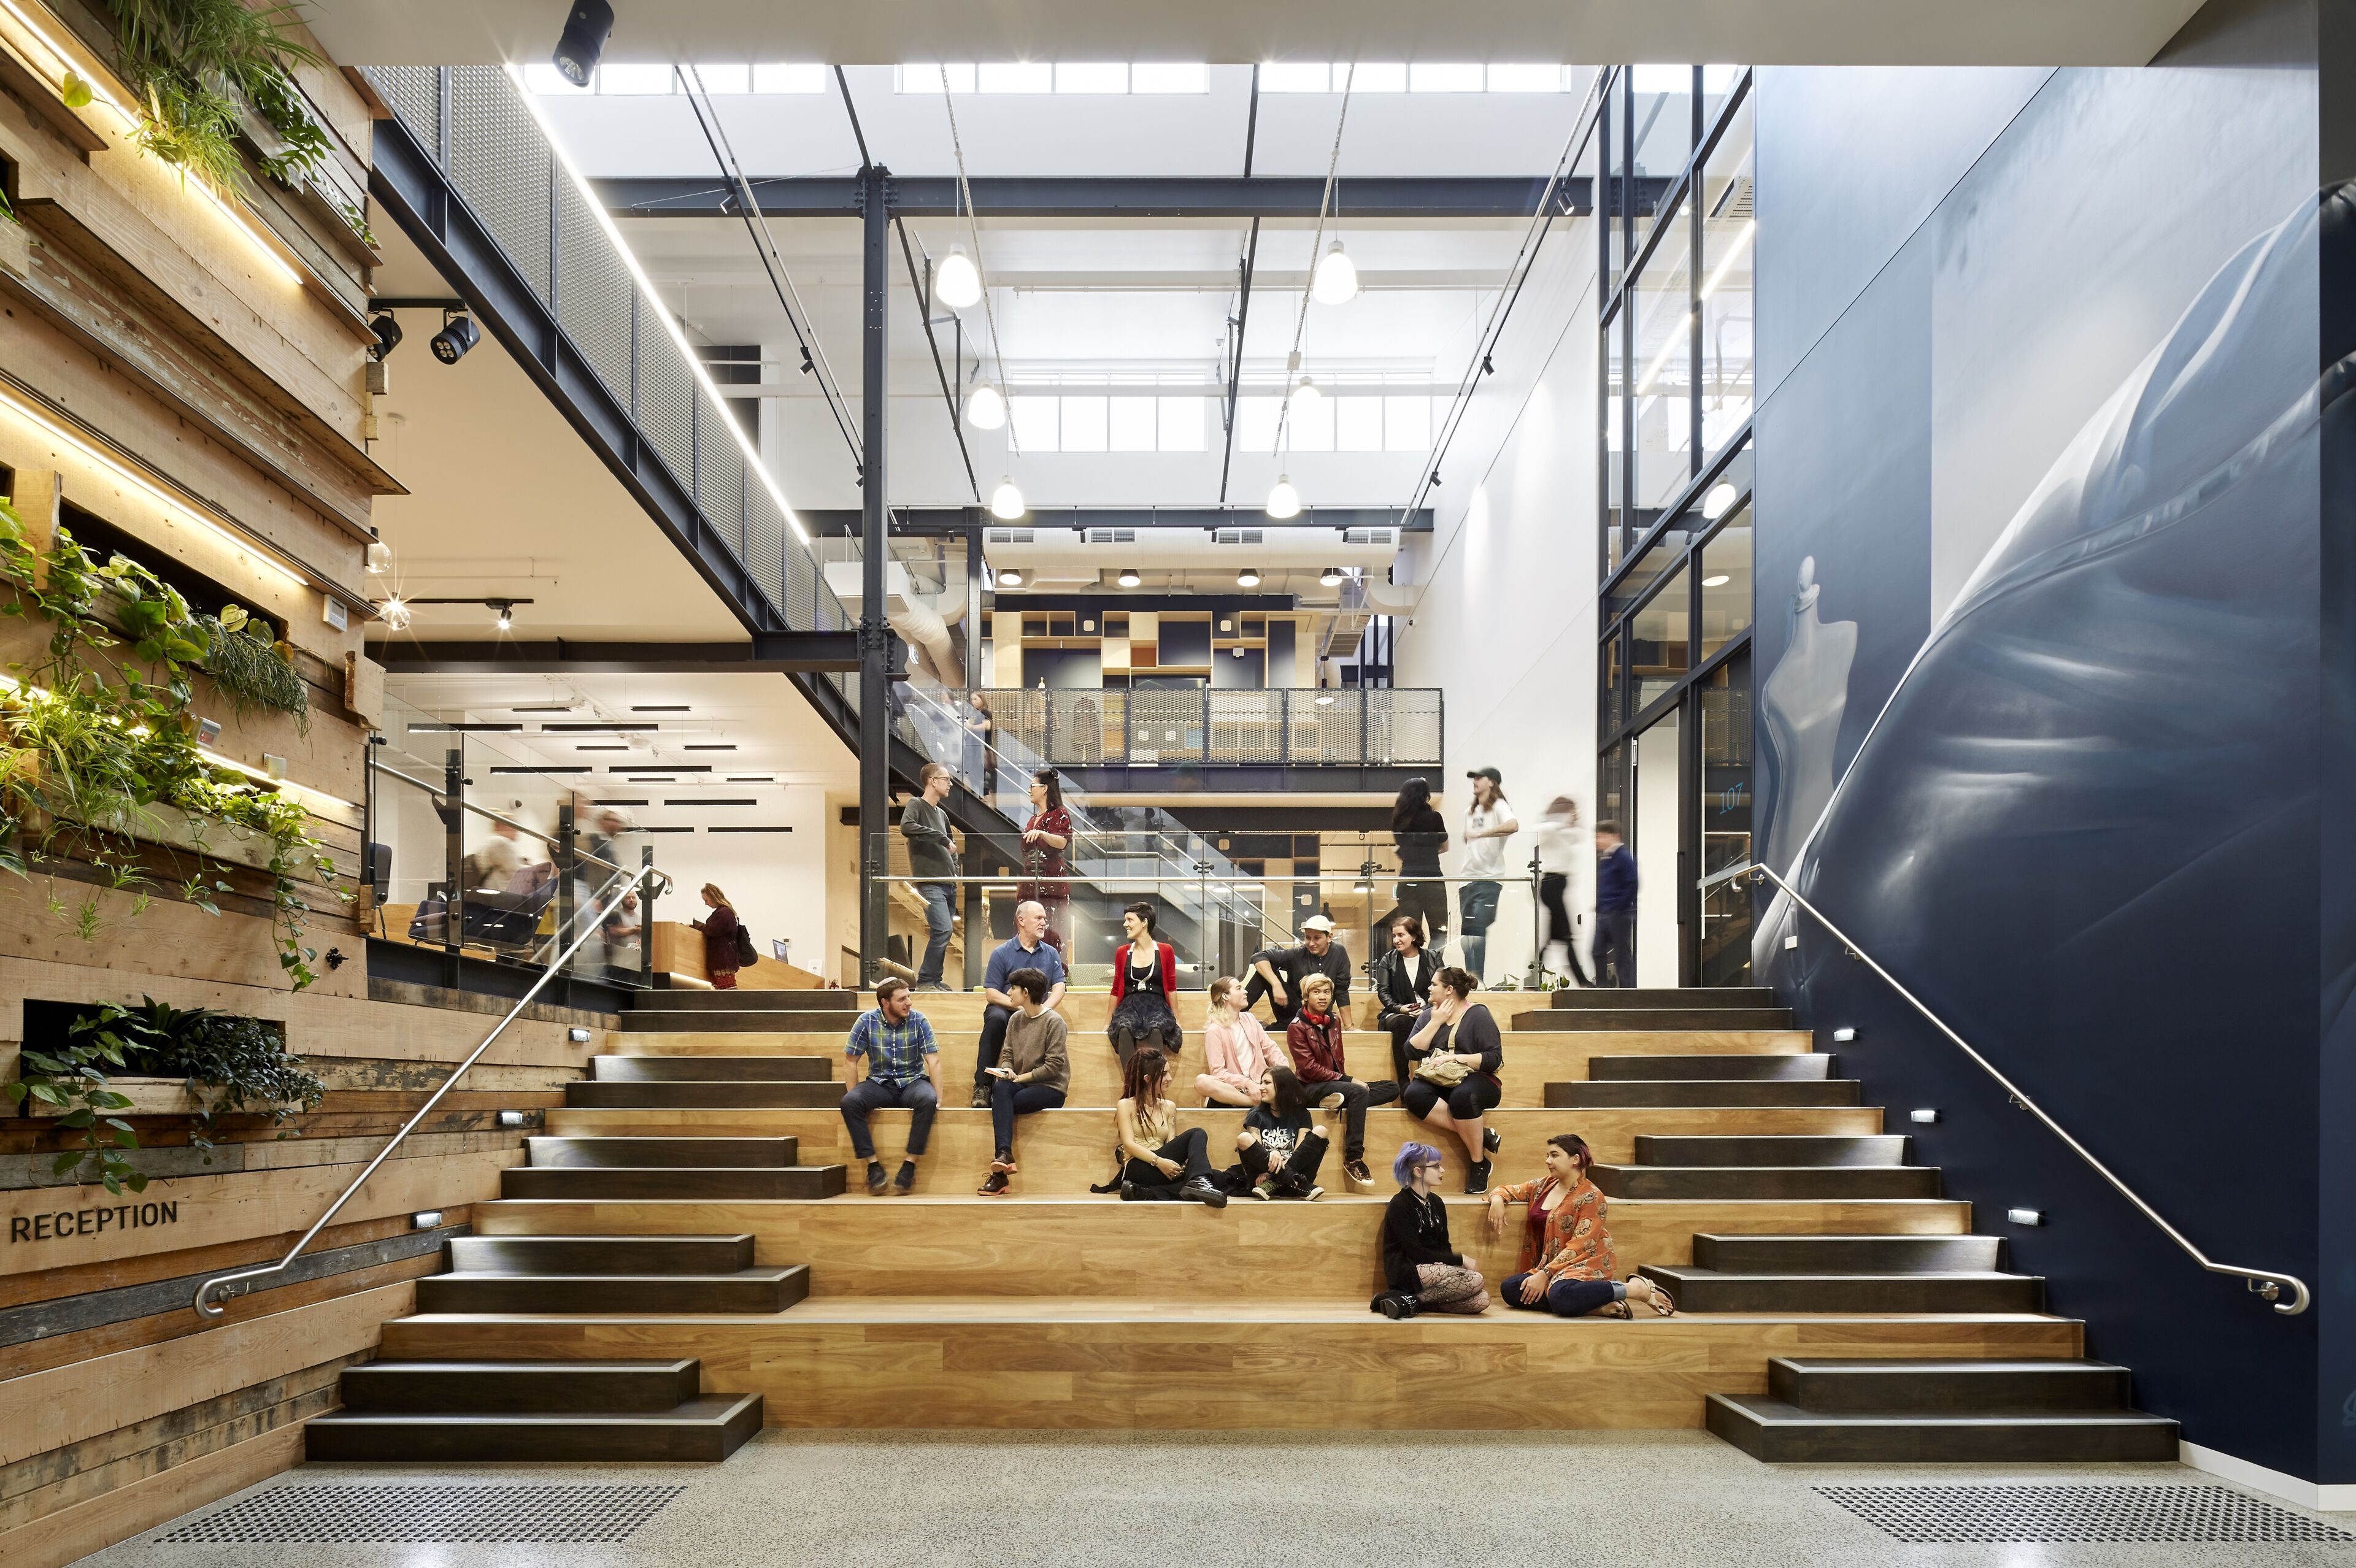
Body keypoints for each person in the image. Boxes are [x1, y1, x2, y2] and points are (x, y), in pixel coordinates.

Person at [1486, 1134, 1676, 1318]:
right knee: (1510, 1289)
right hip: (1551, 1267)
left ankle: (1635, 1289)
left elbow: (1580, 1245)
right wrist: (1497, 1200)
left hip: (1583, 1264)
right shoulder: (1544, 1185)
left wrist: (1545, 1274)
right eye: (1547, 1155)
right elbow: (1509, 1190)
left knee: (1561, 1295)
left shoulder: (1592, 1196)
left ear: (1575, 1159)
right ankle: (1595, 1308)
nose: (1547, 1161)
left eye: (1554, 1155)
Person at [1285, 972, 1399, 1190]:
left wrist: (1345, 1084)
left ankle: (1336, 1098)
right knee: (1358, 1092)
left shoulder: (1334, 1021)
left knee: (1392, 1088)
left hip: (1333, 1084)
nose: (1322, 997)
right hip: (1309, 1088)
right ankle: (1354, 1158)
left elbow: (1338, 1060)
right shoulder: (1297, 1027)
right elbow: (1308, 1068)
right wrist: (1347, 1081)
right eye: (1316, 992)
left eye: (1326, 992)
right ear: (1306, 996)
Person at [1401, 967, 1505, 1193]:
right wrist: (1435, 1022)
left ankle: (1479, 1164)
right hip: (1440, 1079)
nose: (1429, 988)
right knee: (1413, 1094)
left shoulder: (1478, 1014)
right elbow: (1411, 1052)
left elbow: (1494, 1059)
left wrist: (1457, 1058)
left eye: (1434, 984)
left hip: (1478, 1079)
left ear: (1449, 990)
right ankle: (1483, 1135)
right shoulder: (1430, 1015)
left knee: (1462, 1097)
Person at [839, 977, 941, 1195]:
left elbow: (933, 1061)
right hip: (880, 1084)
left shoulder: (919, 1020)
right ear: (885, 1003)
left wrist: (938, 1099)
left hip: (913, 1082)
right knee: (850, 1102)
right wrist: (855, 1094)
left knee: (928, 1099)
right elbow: (850, 1061)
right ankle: (873, 1167)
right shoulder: (866, 1021)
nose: (909, 1003)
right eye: (902, 999)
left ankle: (909, 1165)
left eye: (909, 997)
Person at [967, 899, 1069, 1105]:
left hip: (1036, 1010)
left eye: (1044, 919)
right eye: (1038, 918)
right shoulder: (1001, 953)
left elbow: (1059, 987)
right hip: (1007, 1007)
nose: (1044, 923)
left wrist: (1042, 1011)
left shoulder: (1051, 953)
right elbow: (992, 993)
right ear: (1021, 921)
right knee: (995, 1019)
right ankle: (982, 1086)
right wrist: (1019, 1006)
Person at [977, 966, 1068, 1196]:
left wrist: (1019, 1077)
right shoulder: (1016, 1019)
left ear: (1026, 993)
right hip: (1020, 1083)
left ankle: (1000, 1174)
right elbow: (1007, 1055)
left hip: (1050, 1088)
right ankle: (1004, 1156)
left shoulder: (1054, 1022)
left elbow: (1054, 1066)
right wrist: (1007, 1071)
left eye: (1013, 988)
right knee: (1001, 1089)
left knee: (1001, 1102)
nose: (1008, 992)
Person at [1374, 1140, 1492, 1318]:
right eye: (1436, 1166)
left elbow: (1444, 1244)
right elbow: (1415, 1252)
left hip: (1434, 1269)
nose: (1442, 1170)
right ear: (1418, 1172)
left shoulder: (1436, 1202)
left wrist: (1447, 1262)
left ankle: (1406, 1302)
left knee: (1482, 1300)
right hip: (1408, 1269)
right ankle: (1409, 1299)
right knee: (1476, 1279)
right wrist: (1460, 1259)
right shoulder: (1400, 1204)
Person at [1113, 1046, 1226, 1207]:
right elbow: (1128, 1144)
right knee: (1198, 1133)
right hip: (1139, 1166)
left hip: (1163, 1166)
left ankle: (1146, 1193)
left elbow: (1171, 1144)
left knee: (1217, 1178)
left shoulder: (1169, 1107)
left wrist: (1176, 1166)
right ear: (1147, 1079)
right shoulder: (1126, 1105)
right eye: (1164, 1074)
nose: (1170, 1078)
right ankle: (1198, 1181)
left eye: (1169, 1072)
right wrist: (1159, 1162)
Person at [1217, 1064, 1330, 1201]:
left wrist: (1274, 1174)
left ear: (1282, 1086)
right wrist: (1273, 1153)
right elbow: (1258, 1155)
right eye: (1261, 1083)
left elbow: (1299, 1152)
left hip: (1284, 1180)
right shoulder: (1256, 1115)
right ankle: (1296, 1182)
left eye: (1267, 1083)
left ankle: (1279, 1181)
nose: (1261, 1088)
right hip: (1262, 1181)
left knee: (1321, 1131)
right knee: (1244, 1138)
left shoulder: (1301, 1115)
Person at [900, 762, 960, 992]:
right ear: (933, 781)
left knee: (944, 932)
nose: (950, 784)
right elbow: (907, 827)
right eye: (946, 779)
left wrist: (954, 870)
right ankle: (925, 980)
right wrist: (940, 838)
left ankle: (934, 979)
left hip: (948, 882)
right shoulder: (916, 804)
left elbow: (951, 846)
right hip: (930, 882)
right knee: (943, 929)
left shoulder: (942, 814)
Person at [1456, 767, 1518, 982]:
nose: (1475, 781)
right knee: (1466, 935)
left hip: (1489, 879)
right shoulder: (1469, 812)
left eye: (1479, 778)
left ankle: (1478, 978)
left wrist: (1481, 834)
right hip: (1466, 879)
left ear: (1491, 782)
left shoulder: (1500, 806)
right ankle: (1471, 979)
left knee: (1478, 928)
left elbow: (1513, 825)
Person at [1244, 915, 1353, 1026]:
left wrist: (1349, 1028)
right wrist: (1276, 984)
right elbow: (1259, 957)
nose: (1311, 943)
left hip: (1319, 1015)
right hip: (1291, 1009)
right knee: (1266, 971)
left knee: (1288, 1027)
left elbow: (1341, 991)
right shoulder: (1297, 954)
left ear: (1329, 937)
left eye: (1317, 938)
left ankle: (1269, 1028)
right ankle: (1235, 1016)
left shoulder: (1339, 953)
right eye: (1308, 938)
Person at [1106, 902, 1181, 1064]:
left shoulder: (1166, 950)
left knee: (1156, 1029)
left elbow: (1171, 987)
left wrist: (1177, 1018)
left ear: (1144, 922)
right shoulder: (1122, 952)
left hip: (1157, 1005)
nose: (1125, 924)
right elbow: (1116, 988)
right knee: (1124, 1029)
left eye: (1130, 920)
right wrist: (1107, 1022)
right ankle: (1132, 1086)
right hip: (1130, 1005)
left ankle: (1153, 1083)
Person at [1534, 796, 1596, 987]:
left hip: (1559, 887)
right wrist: (1562, 820)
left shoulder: (1566, 834)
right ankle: (1583, 981)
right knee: (1566, 937)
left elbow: (1580, 835)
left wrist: (1571, 822)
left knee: (1554, 940)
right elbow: (1542, 831)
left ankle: (1532, 978)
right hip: (1551, 885)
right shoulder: (1550, 830)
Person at [1196, 975, 1285, 1107]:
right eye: (1239, 988)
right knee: (1202, 1081)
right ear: (1225, 996)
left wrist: (1283, 1069)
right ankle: (1255, 1103)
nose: (1245, 992)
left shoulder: (1250, 1019)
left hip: (1261, 1083)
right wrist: (1246, 1083)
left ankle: (1259, 1099)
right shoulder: (1214, 1030)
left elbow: (1270, 1048)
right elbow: (1218, 1073)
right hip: (1235, 1088)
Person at [1372, 914, 1436, 1085]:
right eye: (1394, 936)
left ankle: (1430, 1075)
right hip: (1395, 1011)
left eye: (1401, 935)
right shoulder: (1388, 959)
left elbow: (1441, 989)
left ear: (1414, 936)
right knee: (1404, 1023)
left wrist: (1424, 1011)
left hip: (1428, 1010)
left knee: (1433, 1021)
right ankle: (1403, 1079)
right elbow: (1383, 992)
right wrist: (1401, 1008)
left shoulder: (1433, 957)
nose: (1396, 940)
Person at [1388, 778, 1450, 950]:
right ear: (1426, 796)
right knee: (1439, 931)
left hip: (1407, 879)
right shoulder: (1434, 817)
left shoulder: (1398, 821)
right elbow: (1445, 847)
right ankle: (1431, 968)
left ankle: (1411, 970)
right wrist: (1428, 851)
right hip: (1432, 880)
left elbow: (1402, 849)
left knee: (1408, 932)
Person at [1595, 820, 1638, 988]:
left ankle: (1628, 991)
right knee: (1598, 952)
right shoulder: (1606, 858)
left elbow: (1632, 883)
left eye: (1602, 836)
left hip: (1619, 913)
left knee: (1622, 955)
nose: (1598, 841)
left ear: (1614, 837)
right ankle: (1602, 988)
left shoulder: (1623, 857)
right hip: (1605, 913)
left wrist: (1620, 906)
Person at [690, 883, 741, 990]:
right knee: (724, 990)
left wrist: (694, 927)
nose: (706, 904)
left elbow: (712, 930)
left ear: (713, 897)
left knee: (726, 990)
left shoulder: (724, 913)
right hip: (722, 959)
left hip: (723, 960)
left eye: (706, 900)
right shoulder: (725, 912)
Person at [963, 691, 998, 802]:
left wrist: (971, 727)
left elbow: (987, 726)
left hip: (982, 749)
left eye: (976, 699)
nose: (973, 702)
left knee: (981, 775)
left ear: (982, 700)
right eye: (972, 700)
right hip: (978, 749)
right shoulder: (979, 713)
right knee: (978, 775)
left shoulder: (985, 712)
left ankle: (982, 798)